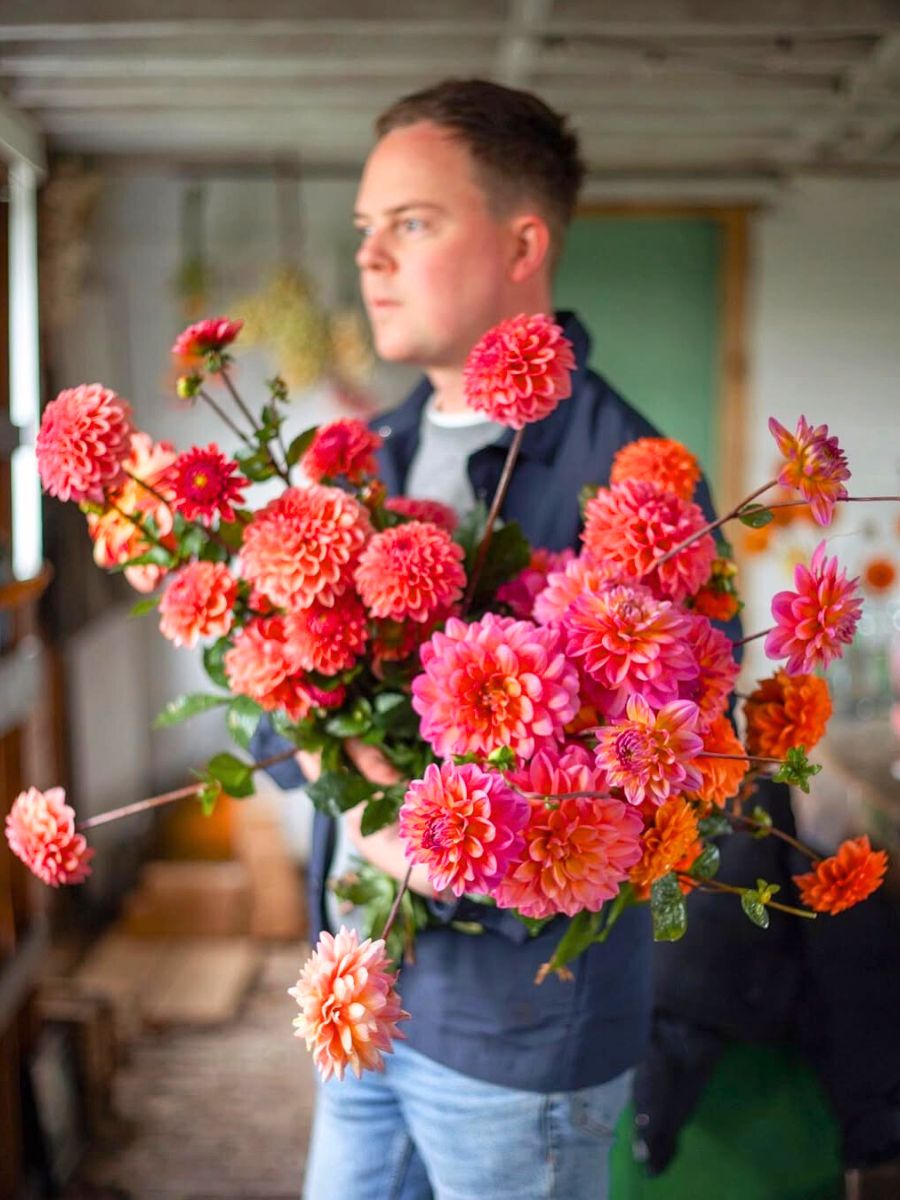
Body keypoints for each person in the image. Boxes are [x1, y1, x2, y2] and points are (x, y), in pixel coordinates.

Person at [254, 78, 726, 1200]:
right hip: (360, 995)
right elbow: (293, 695)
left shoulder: (639, 490)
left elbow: (666, 790)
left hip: (519, 1043)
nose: (370, 258)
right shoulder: (362, 453)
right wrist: (334, 774)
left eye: (410, 223)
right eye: (366, 230)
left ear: (523, 243)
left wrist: (406, 835)